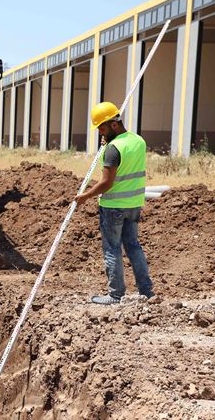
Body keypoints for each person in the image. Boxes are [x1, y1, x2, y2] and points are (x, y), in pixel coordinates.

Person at [75, 102, 154, 305]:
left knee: (112, 248)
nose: (100, 132)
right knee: (134, 246)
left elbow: (106, 183)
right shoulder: (138, 140)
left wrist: (86, 196)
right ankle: (146, 291)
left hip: (113, 207)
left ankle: (115, 294)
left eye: (102, 128)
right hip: (134, 204)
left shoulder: (113, 148)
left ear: (114, 125)